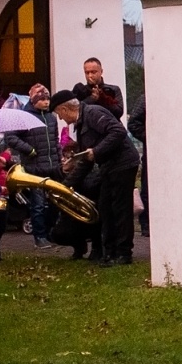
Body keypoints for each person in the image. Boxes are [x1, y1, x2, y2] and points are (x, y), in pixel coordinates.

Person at [50, 89, 138, 264]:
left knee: (120, 209)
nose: (60, 118)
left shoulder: (92, 113)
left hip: (123, 164)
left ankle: (123, 253)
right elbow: (86, 161)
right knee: (105, 209)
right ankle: (109, 252)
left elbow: (118, 132)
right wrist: (65, 185)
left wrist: (97, 151)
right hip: (109, 167)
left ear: (65, 109)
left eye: (59, 113)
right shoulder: (82, 122)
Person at [5, 84, 60, 248]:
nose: (46, 102)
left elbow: (55, 140)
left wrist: (59, 158)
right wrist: (28, 149)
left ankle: (49, 233)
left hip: (52, 166)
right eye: (42, 99)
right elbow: (10, 137)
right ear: (34, 100)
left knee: (55, 203)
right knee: (38, 204)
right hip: (34, 168)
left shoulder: (51, 118)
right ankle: (40, 236)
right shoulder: (23, 117)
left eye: (48, 98)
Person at [127, 96, 148, 236]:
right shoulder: (145, 99)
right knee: (148, 188)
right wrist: (149, 137)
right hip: (151, 152)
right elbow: (133, 123)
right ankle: (146, 223)